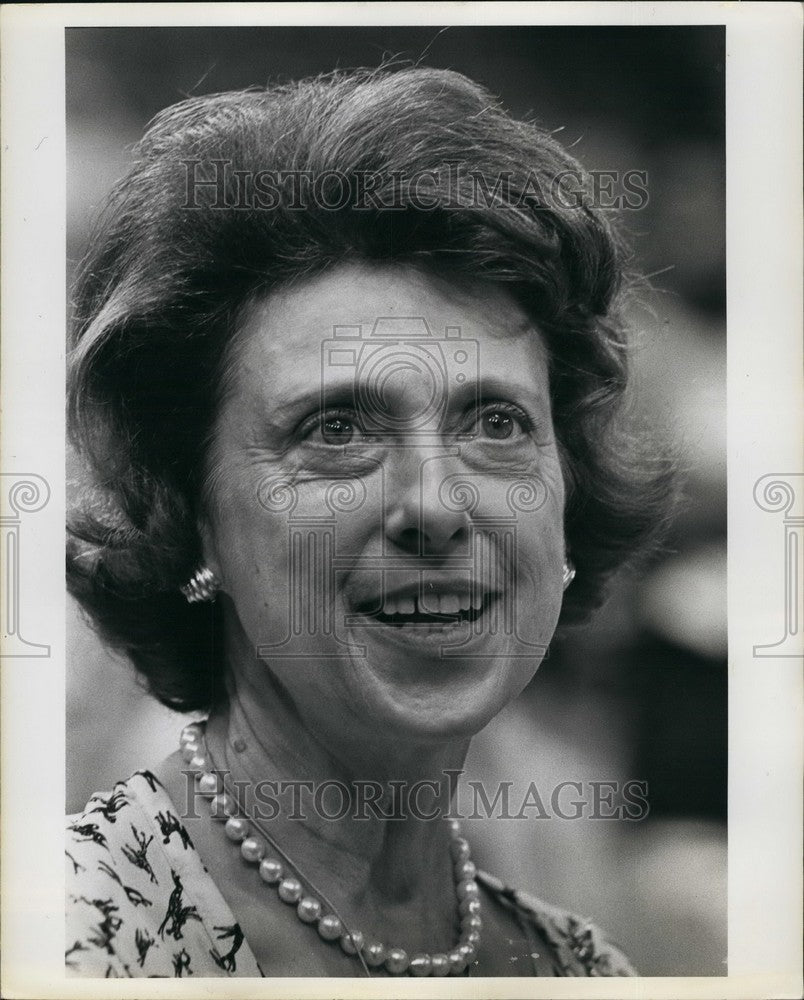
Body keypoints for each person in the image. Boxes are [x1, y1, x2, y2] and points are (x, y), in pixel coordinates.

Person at [65, 66, 675, 978]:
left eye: (497, 423)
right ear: (186, 517)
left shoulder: (584, 972)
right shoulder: (73, 937)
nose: (435, 503)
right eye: (336, 429)